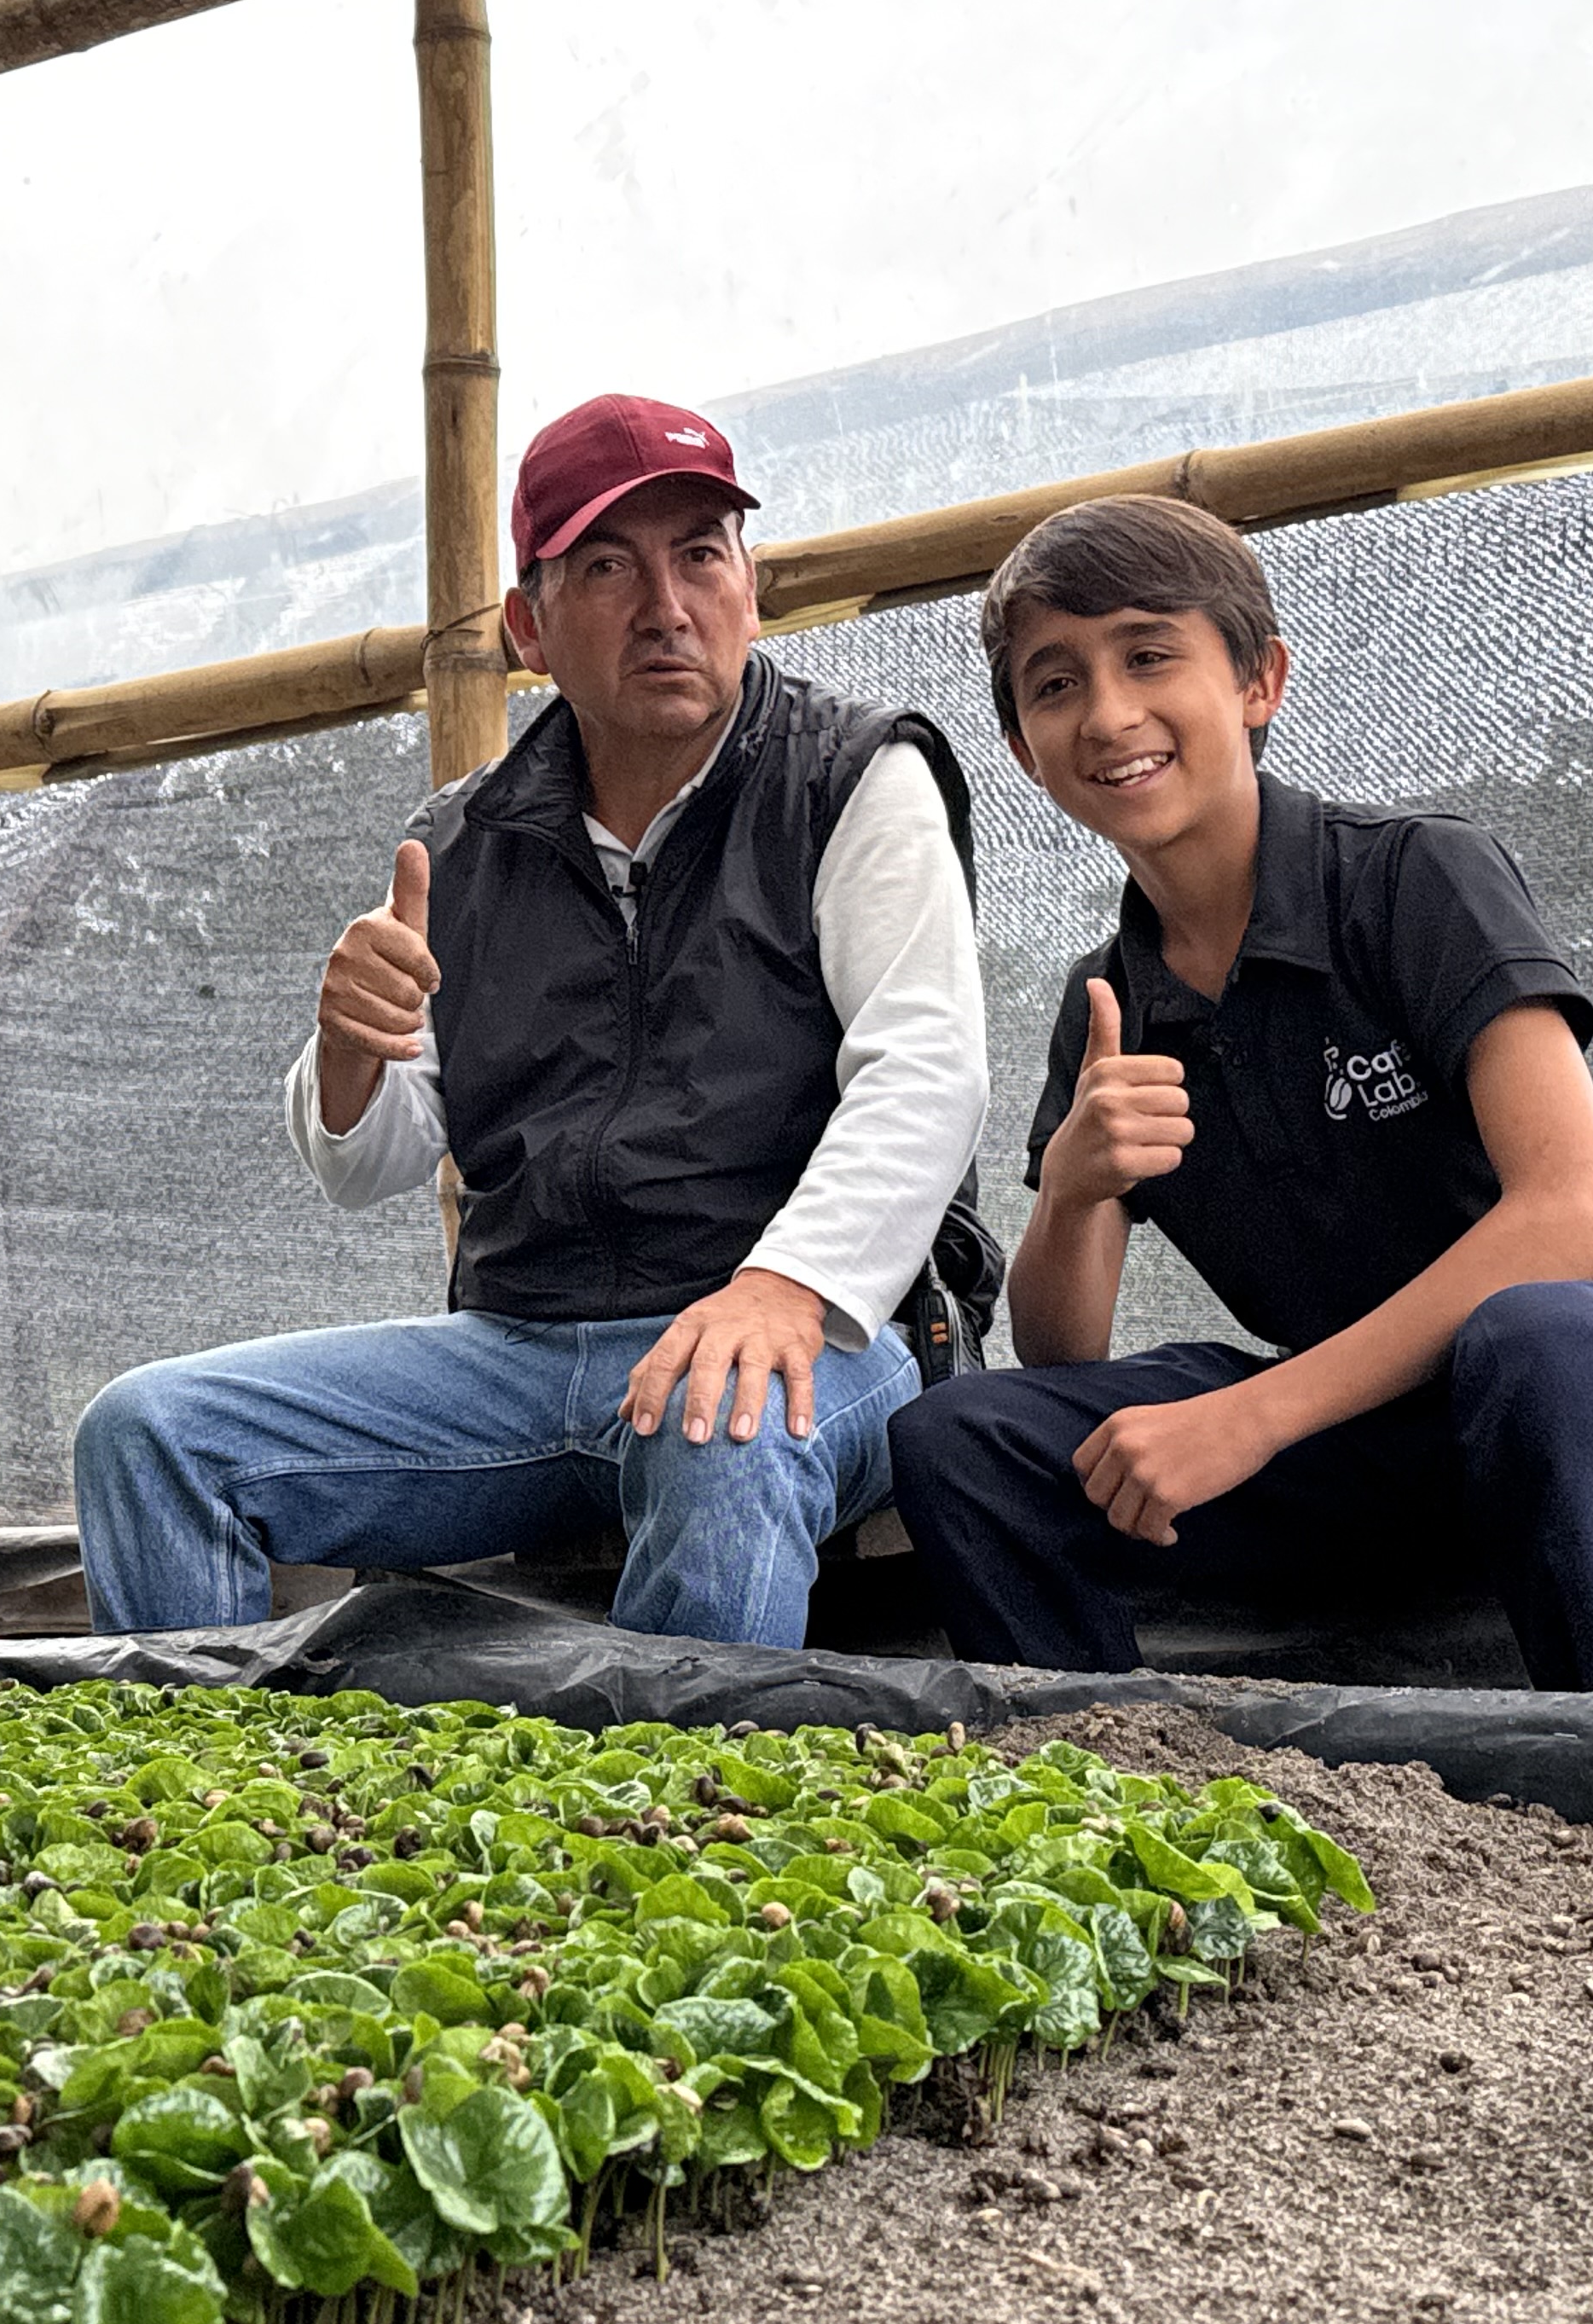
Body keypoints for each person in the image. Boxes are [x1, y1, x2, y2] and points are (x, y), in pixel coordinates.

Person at [72, 394, 990, 1647]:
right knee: (151, 1437)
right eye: (607, 566)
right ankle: (203, 1810)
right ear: (527, 626)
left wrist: (785, 1287)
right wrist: (347, 1052)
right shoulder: (462, 839)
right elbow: (370, 1160)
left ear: (751, 586)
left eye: (701, 554)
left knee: (720, 1432)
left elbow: (927, 1070)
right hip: (519, 1342)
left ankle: (686, 1828)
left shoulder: (852, 777)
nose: (666, 605)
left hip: (811, 1327)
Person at [884, 495, 1593, 1692]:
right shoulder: (1108, 998)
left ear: (1260, 680)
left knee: (1539, 1333)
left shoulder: (1412, 880)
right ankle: (1114, 1799)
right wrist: (1075, 1190)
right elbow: (1061, 1350)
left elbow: (1578, 1223)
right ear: (1028, 754)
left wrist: (1250, 1418)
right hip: (1360, 1449)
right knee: (960, 1437)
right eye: (1055, 684)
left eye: (1147, 655)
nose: (1110, 712)